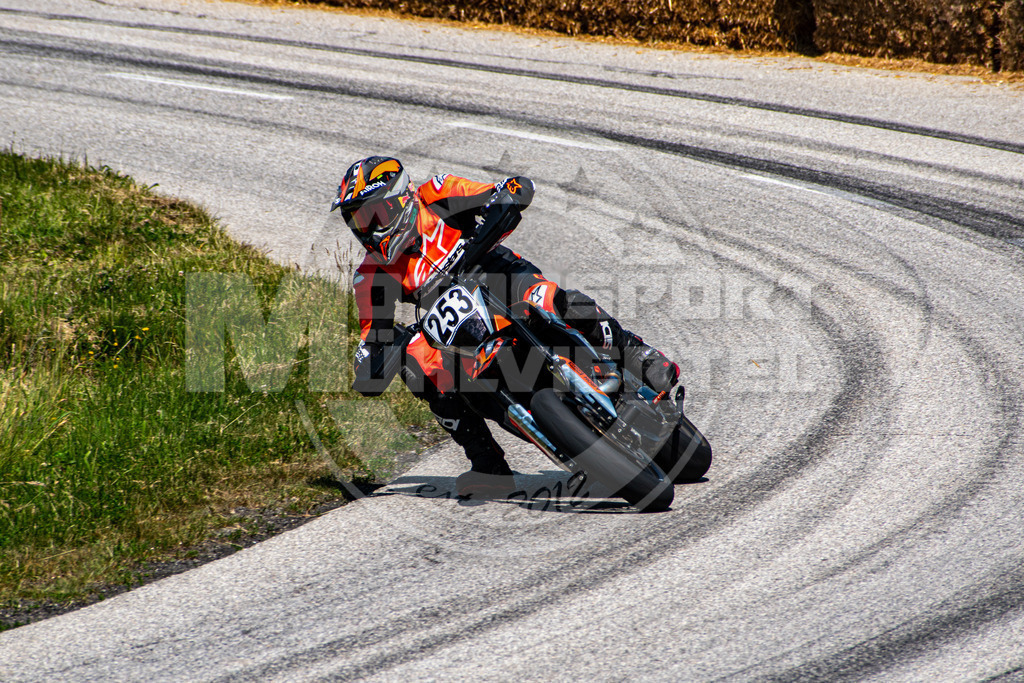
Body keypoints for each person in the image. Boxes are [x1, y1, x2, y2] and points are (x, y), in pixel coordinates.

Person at [333, 156, 679, 497]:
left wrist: (507, 197)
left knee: (551, 300)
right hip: (460, 324)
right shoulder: (372, 275)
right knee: (422, 368)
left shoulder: (437, 193)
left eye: (372, 214)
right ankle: (488, 466)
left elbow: (509, 188)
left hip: (501, 276)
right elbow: (369, 346)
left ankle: (639, 355)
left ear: (400, 199)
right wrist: (379, 355)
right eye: (358, 221)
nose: (366, 228)